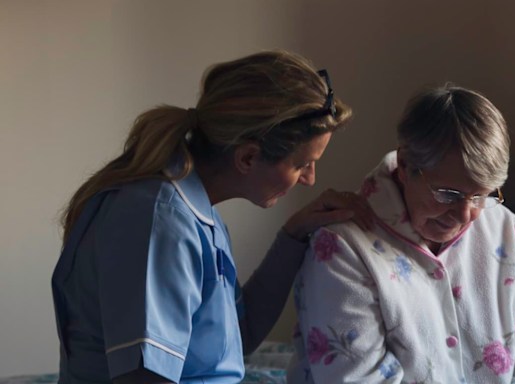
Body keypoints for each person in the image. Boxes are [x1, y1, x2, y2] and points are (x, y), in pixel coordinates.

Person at [51, 50, 373, 384]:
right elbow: (143, 377)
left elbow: (238, 335)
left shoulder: (196, 211)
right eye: (302, 164)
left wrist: (293, 236)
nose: (310, 179)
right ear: (248, 157)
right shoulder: (159, 221)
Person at [287, 84, 515, 383]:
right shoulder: (342, 247)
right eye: (448, 194)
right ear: (405, 166)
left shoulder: (504, 228)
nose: (465, 215)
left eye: (481, 196)